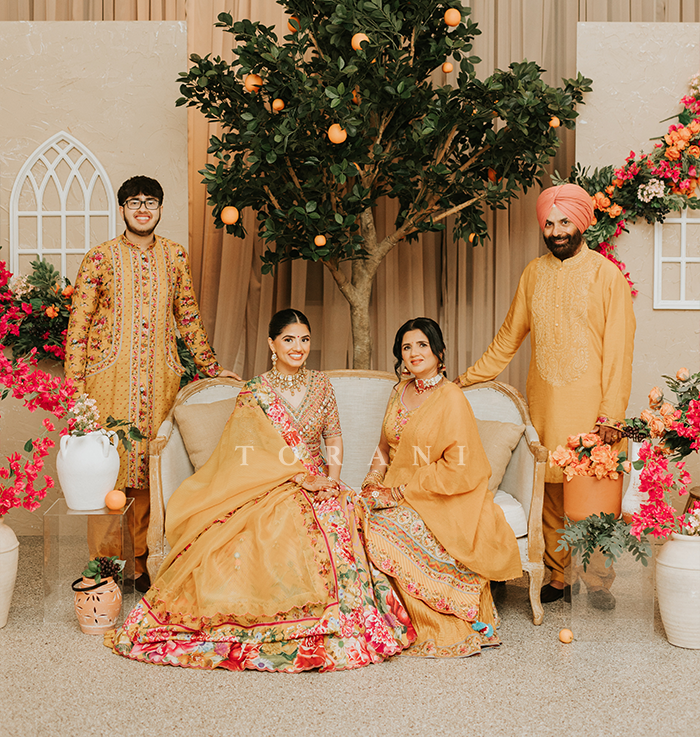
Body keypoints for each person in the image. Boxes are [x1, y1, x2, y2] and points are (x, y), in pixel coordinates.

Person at [109, 309, 414, 671]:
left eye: (304, 339)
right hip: (269, 482)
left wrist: (331, 480)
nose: (298, 347)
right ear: (272, 343)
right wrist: (299, 478)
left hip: (320, 480)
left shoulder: (321, 385)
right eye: (289, 339)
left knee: (340, 515)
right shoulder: (255, 392)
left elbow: (333, 435)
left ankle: (342, 621)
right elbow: (248, 453)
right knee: (276, 523)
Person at [459, 183, 635, 610]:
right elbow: (507, 338)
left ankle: (597, 581)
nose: (556, 231)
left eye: (565, 222)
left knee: (591, 497)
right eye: (549, 223)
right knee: (549, 494)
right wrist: (464, 380)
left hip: (593, 408)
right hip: (544, 402)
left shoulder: (606, 275)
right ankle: (558, 576)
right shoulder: (533, 274)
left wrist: (611, 415)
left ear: (582, 223)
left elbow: (619, 350)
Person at [65, 175, 238, 591]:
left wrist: (210, 367)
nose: (143, 209)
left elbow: (189, 317)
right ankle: (104, 568)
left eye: (151, 202)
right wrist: (75, 390)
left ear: (160, 208)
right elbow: (78, 326)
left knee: (148, 471)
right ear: (122, 208)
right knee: (107, 473)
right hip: (107, 380)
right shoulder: (99, 258)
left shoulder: (175, 256)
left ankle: (142, 564)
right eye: (134, 202)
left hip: (160, 378)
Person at [360, 318, 522, 658]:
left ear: (439, 351)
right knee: (353, 519)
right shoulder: (398, 391)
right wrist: (372, 482)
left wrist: (402, 492)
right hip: (394, 488)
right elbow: (384, 448)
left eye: (421, 345)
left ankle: (431, 620)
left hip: (441, 496)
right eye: (406, 347)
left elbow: (460, 467)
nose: (414, 353)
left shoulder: (451, 398)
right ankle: (375, 620)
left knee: (379, 530)